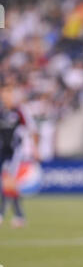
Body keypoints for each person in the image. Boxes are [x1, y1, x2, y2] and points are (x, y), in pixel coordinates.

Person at [0, 81, 39, 227]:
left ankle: (5, 214)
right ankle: (18, 215)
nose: (7, 96)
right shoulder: (2, 111)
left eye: (9, 93)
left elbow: (31, 129)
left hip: (14, 151)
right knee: (7, 183)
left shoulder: (19, 111)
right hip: (2, 151)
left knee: (8, 181)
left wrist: (35, 149)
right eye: (4, 93)